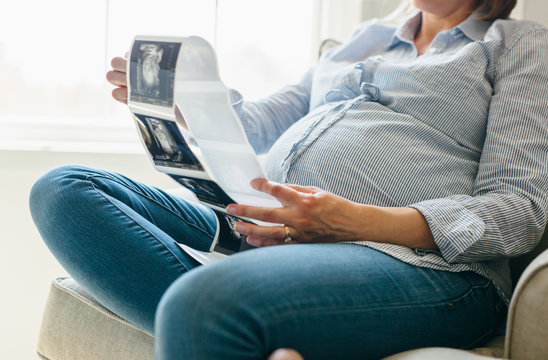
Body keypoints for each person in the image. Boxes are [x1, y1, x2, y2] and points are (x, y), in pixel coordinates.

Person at [30, 0, 548, 359]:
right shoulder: (362, 41)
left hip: (419, 265)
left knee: (203, 302)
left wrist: (349, 221)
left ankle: (220, 313)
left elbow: (520, 209)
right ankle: (237, 324)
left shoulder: (517, 46)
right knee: (64, 191)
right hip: (265, 229)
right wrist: (190, 103)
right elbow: (256, 124)